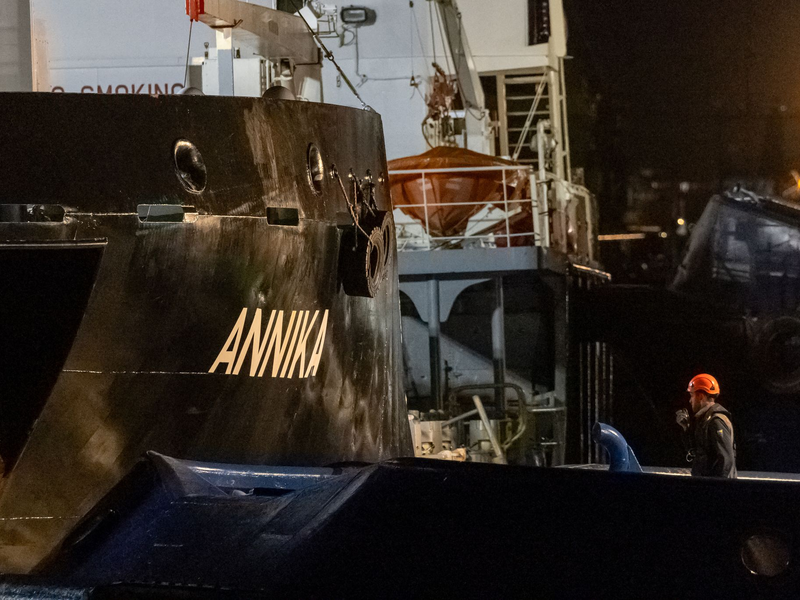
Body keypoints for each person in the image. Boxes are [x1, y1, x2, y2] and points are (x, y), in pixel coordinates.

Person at [675, 373, 737, 478]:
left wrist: (721, 489)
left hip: (712, 488)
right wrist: (687, 429)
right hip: (704, 484)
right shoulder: (705, 420)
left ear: (700, 396)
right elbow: (696, 452)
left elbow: (726, 460)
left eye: (692, 395)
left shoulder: (716, 421)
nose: (690, 401)